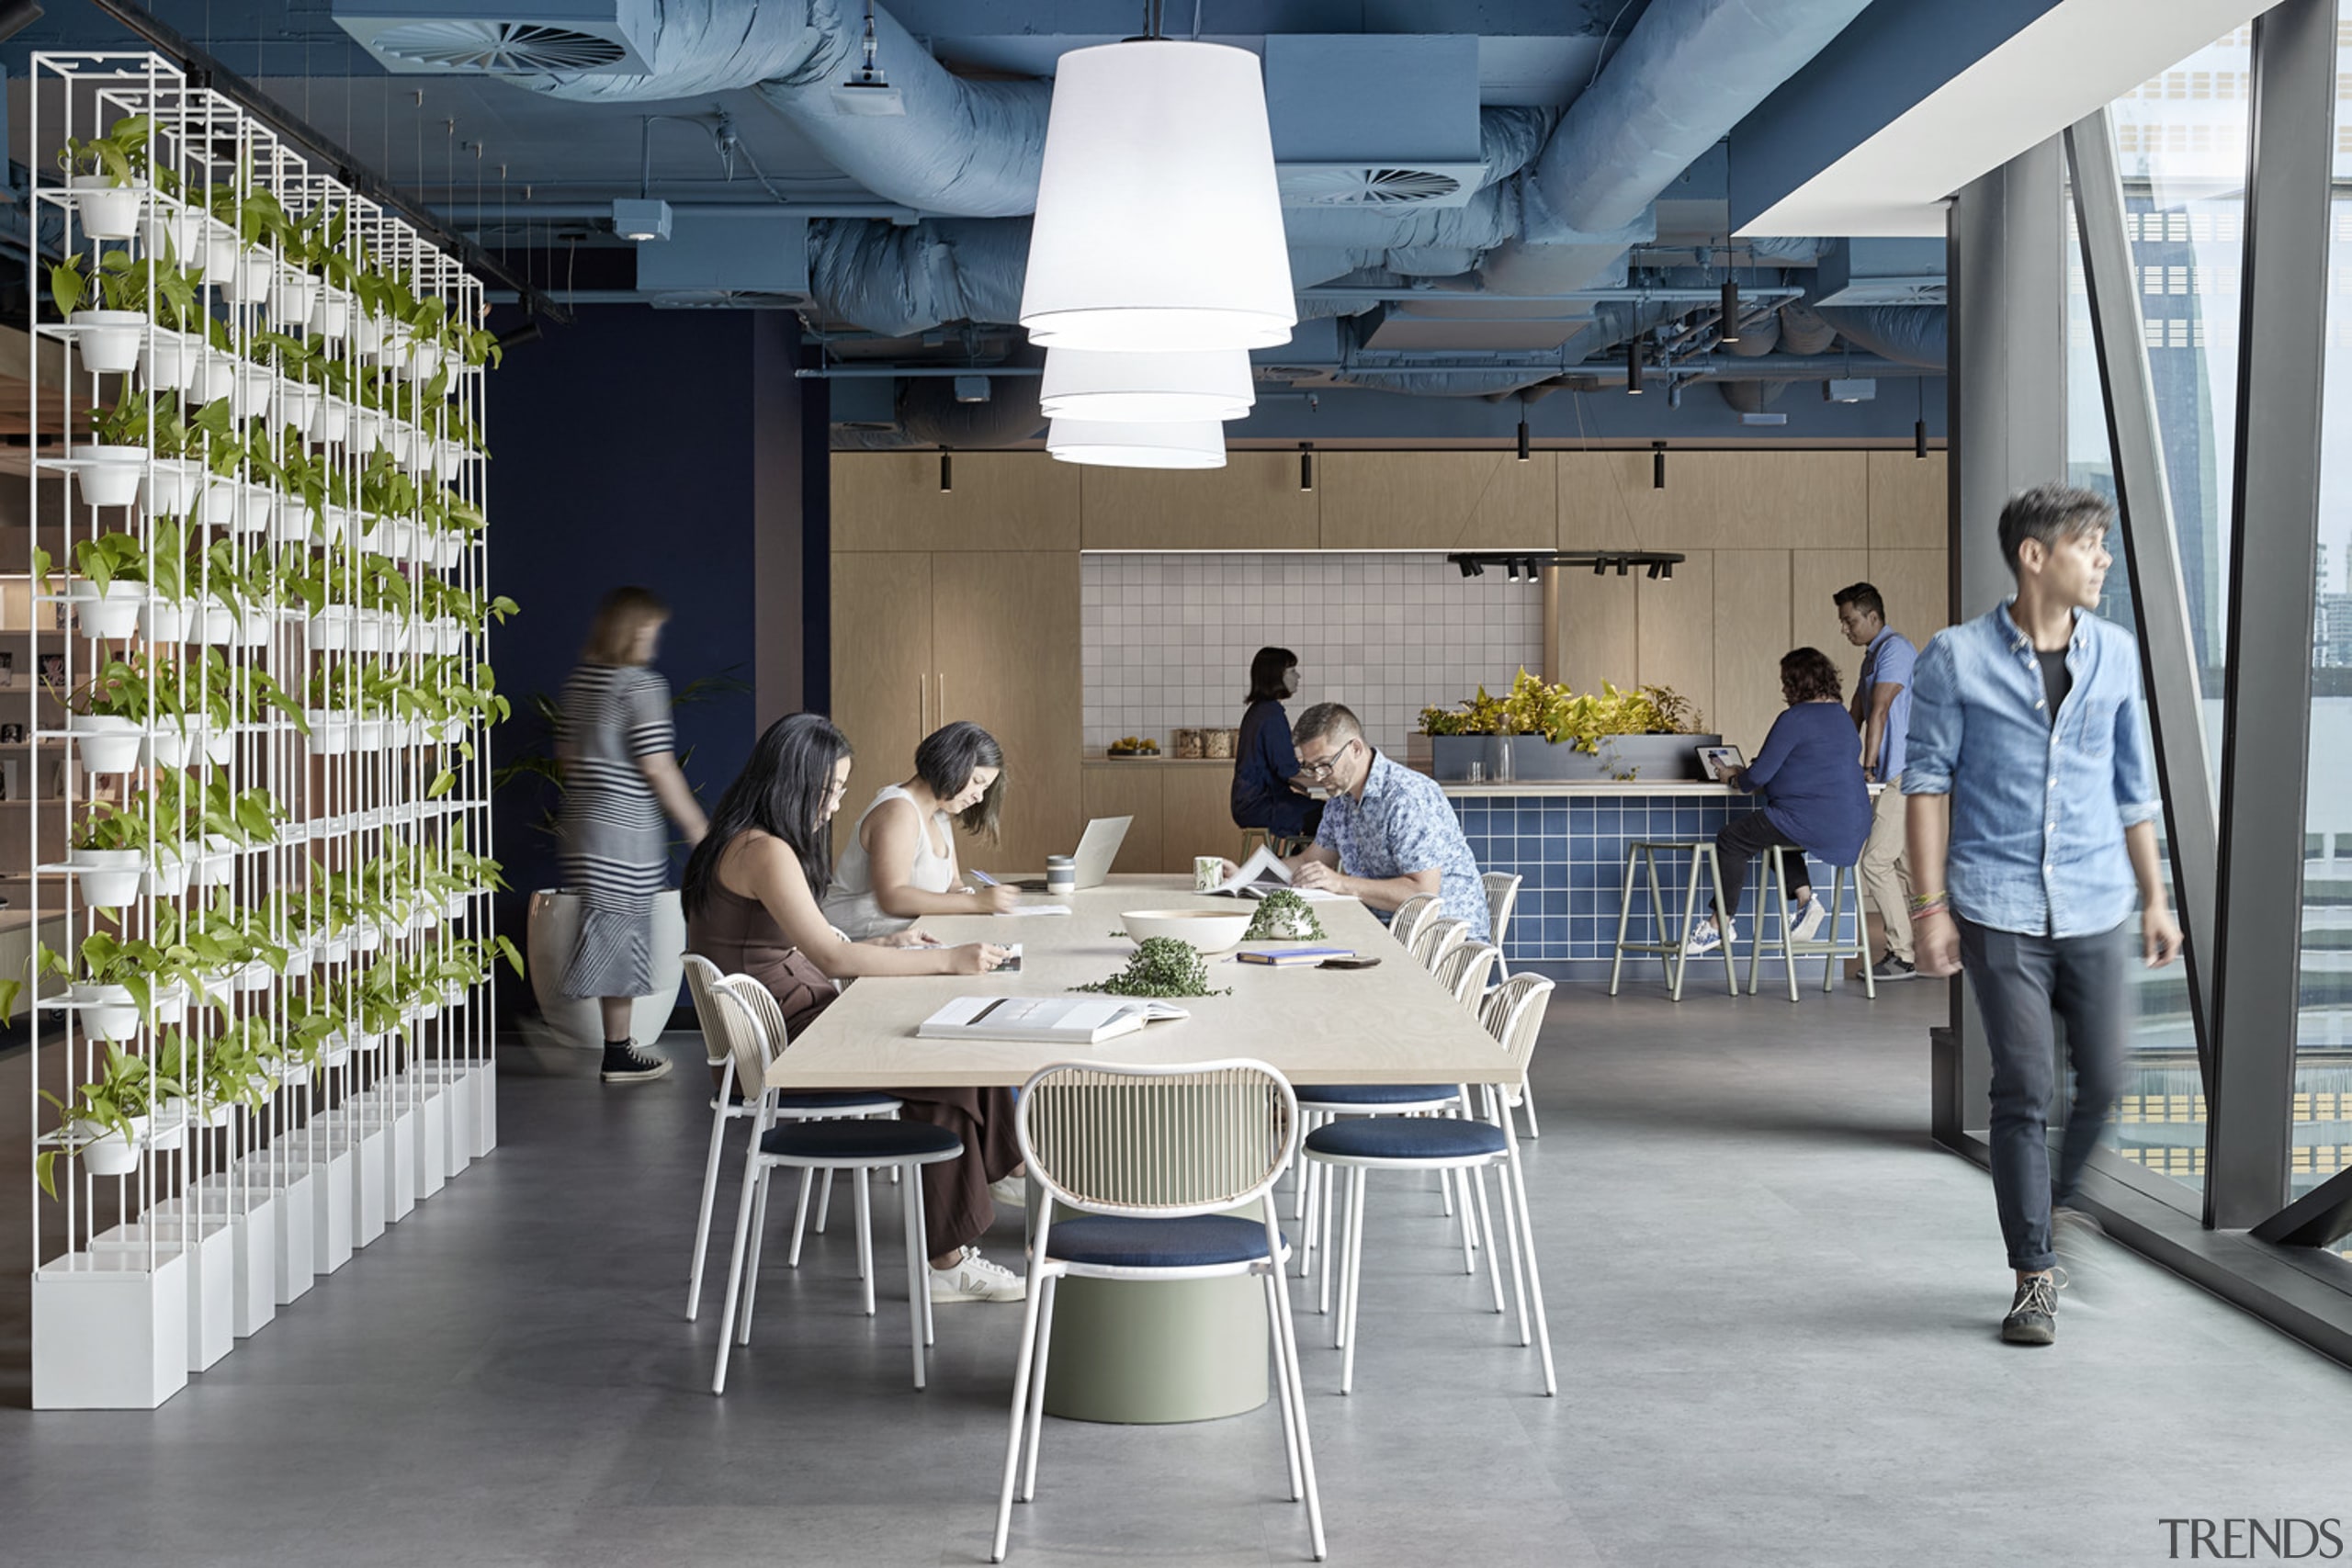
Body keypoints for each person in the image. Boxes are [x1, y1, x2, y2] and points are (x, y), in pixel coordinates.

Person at [1905, 483, 2182, 1348]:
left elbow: (2133, 787)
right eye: (2088, 544)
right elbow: (1926, 787)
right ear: (2035, 555)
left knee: (2100, 1079)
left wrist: (2156, 895)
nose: (2102, 560)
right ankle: (2034, 1275)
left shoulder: (2119, 656)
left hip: (2098, 901)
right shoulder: (1954, 658)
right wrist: (1929, 910)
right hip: (1999, 905)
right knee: (2023, 1089)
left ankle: (2056, 1208)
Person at [681, 713, 1028, 1304]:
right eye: (830, 790)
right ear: (792, 782)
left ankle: (997, 1181)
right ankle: (947, 1260)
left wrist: (885, 944)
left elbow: (809, 943)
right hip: (785, 1045)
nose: (837, 805)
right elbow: (831, 958)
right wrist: (949, 962)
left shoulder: (750, 839)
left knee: (952, 1049)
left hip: (793, 1014)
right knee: (941, 1067)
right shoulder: (764, 851)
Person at [555, 586, 708, 1086]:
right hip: (625, 831)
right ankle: (616, 1051)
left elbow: (568, 759)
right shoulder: (639, 686)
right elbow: (658, 765)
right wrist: (697, 827)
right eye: (651, 631)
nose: (654, 642)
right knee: (621, 933)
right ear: (634, 631)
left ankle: (617, 1047)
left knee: (611, 930)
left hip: (585, 825)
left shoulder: (581, 684)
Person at [1683, 649, 1871, 956]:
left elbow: (1755, 779)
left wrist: (1732, 776)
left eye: (1787, 681)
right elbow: (1816, 764)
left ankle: (1719, 924)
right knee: (1776, 829)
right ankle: (1805, 900)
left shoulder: (1794, 718)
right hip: (1853, 820)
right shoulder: (1841, 717)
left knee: (1732, 839)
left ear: (1797, 683)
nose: (1784, 689)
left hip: (1810, 818)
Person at [1281, 702, 1489, 940]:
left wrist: (1341, 884)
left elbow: (1423, 893)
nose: (1318, 777)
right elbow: (1308, 861)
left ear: (1356, 748)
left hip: (1441, 937)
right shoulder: (1340, 801)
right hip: (1387, 928)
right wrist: (1246, 876)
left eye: (1325, 765)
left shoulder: (1406, 796)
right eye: (1310, 768)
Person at [823, 720, 1018, 939]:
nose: (979, 796)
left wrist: (964, 895)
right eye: (977, 781)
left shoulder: (940, 812)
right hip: (854, 940)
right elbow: (892, 897)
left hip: (906, 935)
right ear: (951, 763)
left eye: (985, 788)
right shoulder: (899, 811)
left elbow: (952, 882)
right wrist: (975, 902)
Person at [1836, 581, 1922, 981]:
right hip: (1895, 772)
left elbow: (1882, 709)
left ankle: (1902, 955)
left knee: (1875, 861)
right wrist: (1835, 756)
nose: (1845, 629)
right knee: (1906, 865)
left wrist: (1867, 764)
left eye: (1850, 621)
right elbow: (1856, 712)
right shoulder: (1871, 657)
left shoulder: (1896, 650)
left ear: (1873, 617)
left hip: (1905, 771)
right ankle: (1941, 946)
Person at [1231, 646, 1323, 843]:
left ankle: (1296, 865)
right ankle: (1300, 868)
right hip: (1263, 804)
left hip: (1250, 803)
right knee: (1330, 816)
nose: (1298, 676)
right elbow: (1285, 768)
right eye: (1291, 671)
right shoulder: (1271, 714)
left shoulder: (1259, 710)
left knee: (1323, 813)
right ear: (1276, 675)